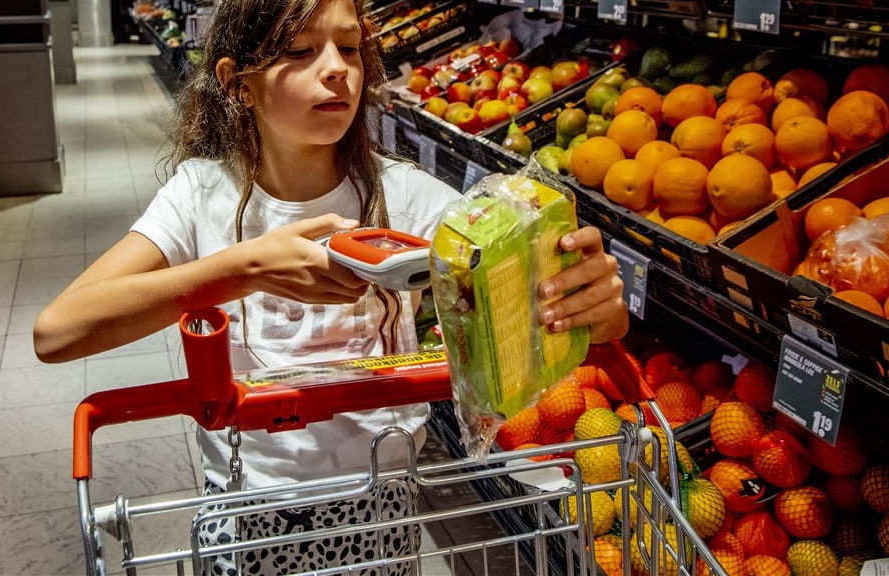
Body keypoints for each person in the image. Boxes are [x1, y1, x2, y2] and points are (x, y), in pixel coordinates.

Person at [34, 0, 628, 573]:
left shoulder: (408, 199)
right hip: (244, 505)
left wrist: (589, 299)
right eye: (300, 49)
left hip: (381, 503)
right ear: (239, 83)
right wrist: (244, 269)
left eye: (349, 47)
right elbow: (58, 331)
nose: (337, 68)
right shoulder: (199, 195)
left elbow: (575, 310)